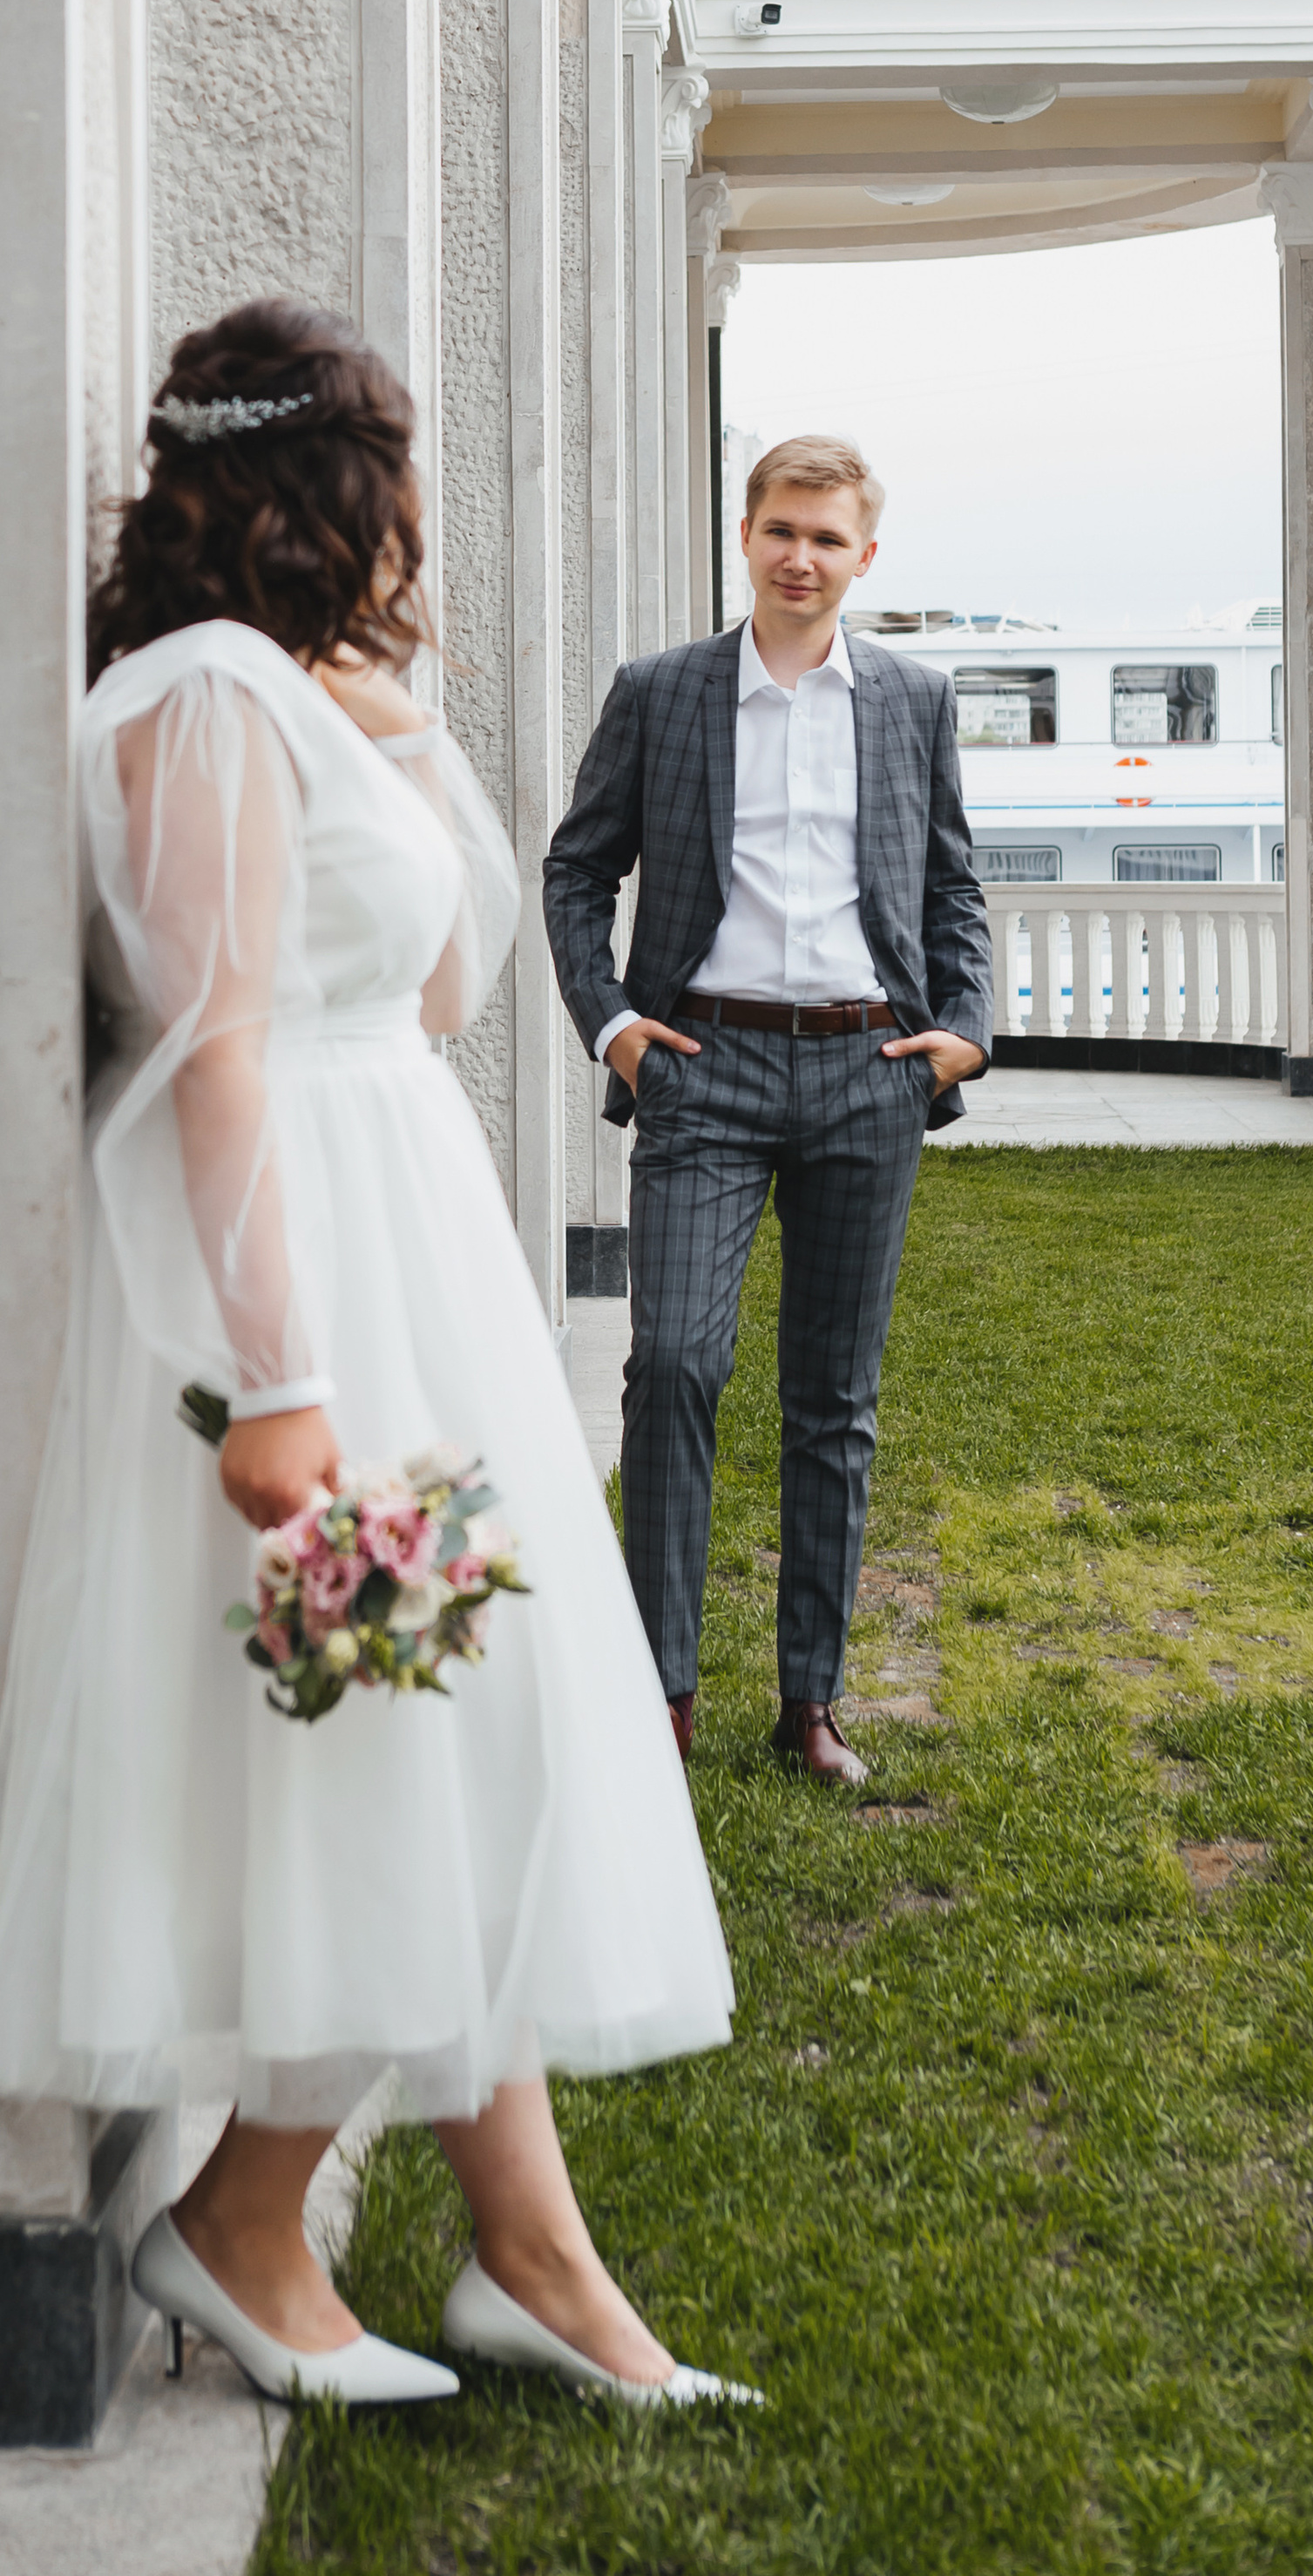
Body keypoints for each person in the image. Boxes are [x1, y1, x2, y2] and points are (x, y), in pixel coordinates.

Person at [0, 299, 746, 2410]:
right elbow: (218, 1047)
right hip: (307, 1264)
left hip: (400, 1228)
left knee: (457, 1729)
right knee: (410, 1742)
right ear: (333, 488)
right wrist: (277, 1375)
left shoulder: (293, 696)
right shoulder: (205, 696)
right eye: (391, 478)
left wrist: (391, 714)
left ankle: (533, 2255)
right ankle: (241, 2221)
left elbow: (432, 982)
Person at [543, 437, 992, 1789]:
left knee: (832, 1401)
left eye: (829, 538)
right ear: (744, 537)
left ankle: (810, 1706)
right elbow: (576, 873)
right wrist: (619, 1030)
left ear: (865, 558)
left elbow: (952, 885)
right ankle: (660, 1697)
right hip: (706, 1072)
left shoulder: (911, 701)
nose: (803, 556)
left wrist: (960, 1035)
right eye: (782, 530)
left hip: (869, 1073)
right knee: (672, 1361)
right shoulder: (664, 694)